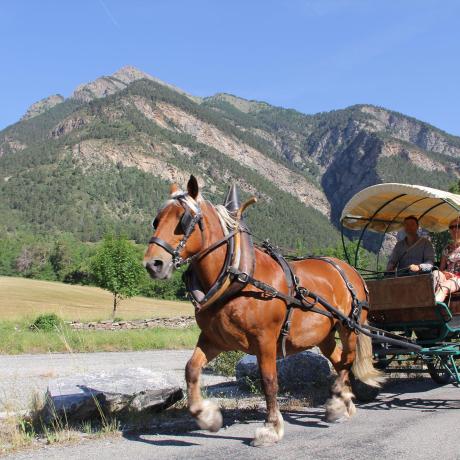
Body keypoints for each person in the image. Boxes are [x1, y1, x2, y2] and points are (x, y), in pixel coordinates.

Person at [433, 217, 460, 302]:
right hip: (448, 277)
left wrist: (455, 276)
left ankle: (434, 307)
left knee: (444, 286)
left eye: (458, 226)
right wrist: (445, 273)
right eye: (452, 227)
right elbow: (441, 269)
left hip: (458, 278)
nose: (454, 229)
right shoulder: (447, 248)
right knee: (435, 274)